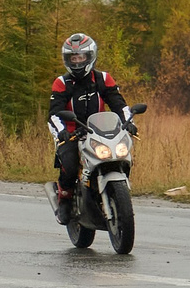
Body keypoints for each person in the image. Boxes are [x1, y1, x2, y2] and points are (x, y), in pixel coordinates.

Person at [48, 31, 130, 222]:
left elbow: (120, 104)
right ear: (67, 59)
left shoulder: (103, 78)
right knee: (68, 163)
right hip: (71, 133)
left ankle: (118, 191)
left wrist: (129, 123)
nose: (77, 62)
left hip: (100, 131)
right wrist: (61, 132)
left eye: (81, 57)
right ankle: (65, 200)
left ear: (90, 56)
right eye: (73, 58)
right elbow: (53, 114)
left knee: (121, 155)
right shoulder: (62, 83)